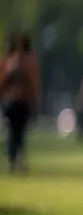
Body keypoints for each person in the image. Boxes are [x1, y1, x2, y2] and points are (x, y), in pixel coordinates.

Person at [0, 33, 40, 173]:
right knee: (17, 133)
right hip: (17, 102)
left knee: (15, 132)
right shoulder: (26, 61)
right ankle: (16, 158)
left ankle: (14, 158)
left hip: (16, 102)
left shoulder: (9, 61)